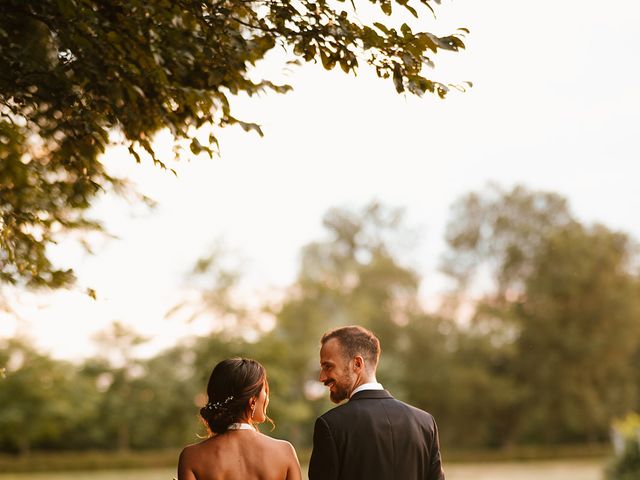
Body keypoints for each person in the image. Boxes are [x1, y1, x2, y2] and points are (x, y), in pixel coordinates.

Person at [309, 325, 445, 480]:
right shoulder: (425, 423)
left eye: (328, 366)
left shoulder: (330, 425)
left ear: (357, 364)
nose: (322, 377)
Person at [178, 357, 302, 480]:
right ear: (252, 401)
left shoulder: (191, 457)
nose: (267, 398)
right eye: (266, 391)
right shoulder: (285, 452)